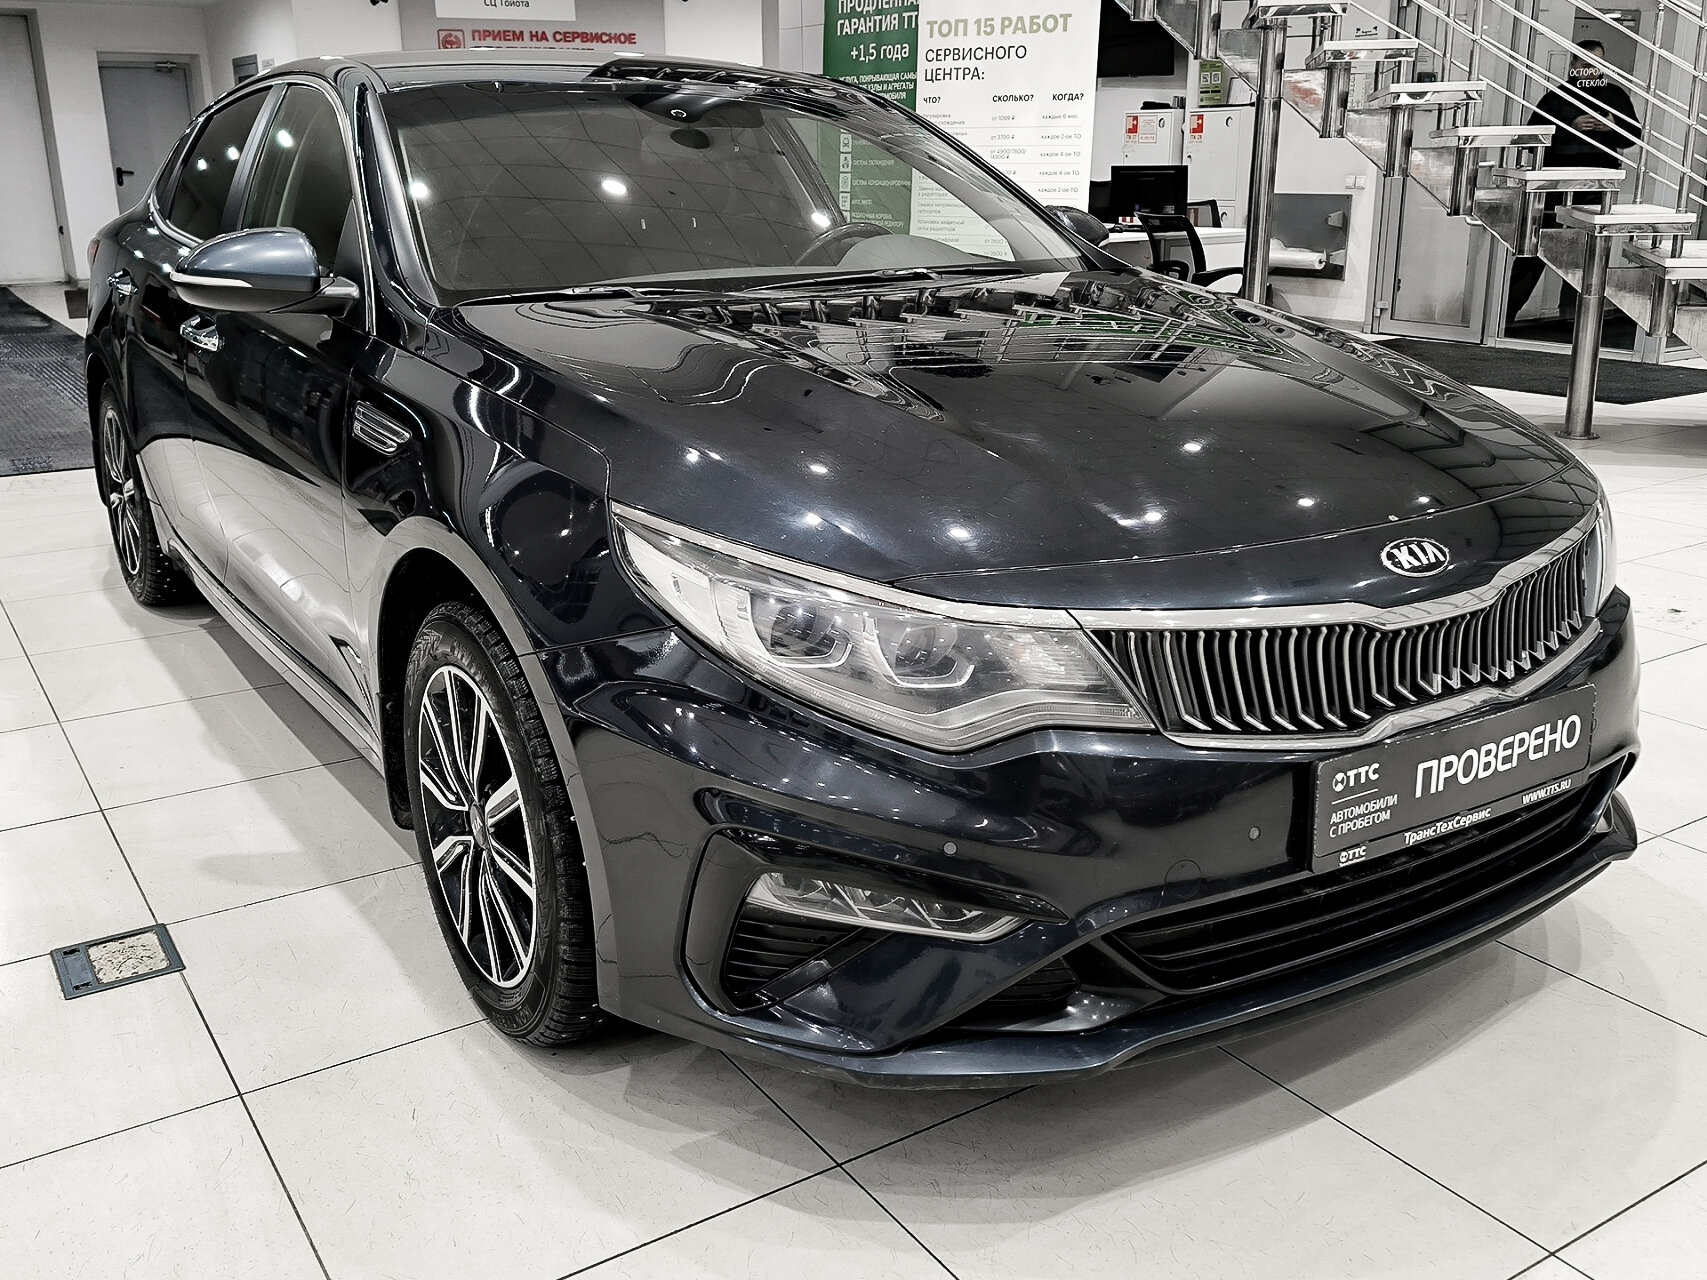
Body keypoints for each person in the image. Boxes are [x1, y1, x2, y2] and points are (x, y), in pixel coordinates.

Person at [1506, 39, 1642, 328]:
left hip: (1597, 182)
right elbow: (1531, 138)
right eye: (1585, 63)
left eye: (1597, 64)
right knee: (1536, 248)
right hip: (1556, 182)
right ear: (1573, 65)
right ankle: (1505, 316)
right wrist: (1569, 128)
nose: (1591, 69)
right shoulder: (1556, 97)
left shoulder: (1615, 96)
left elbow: (1632, 137)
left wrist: (1611, 125)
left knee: (1586, 251)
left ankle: (1575, 320)